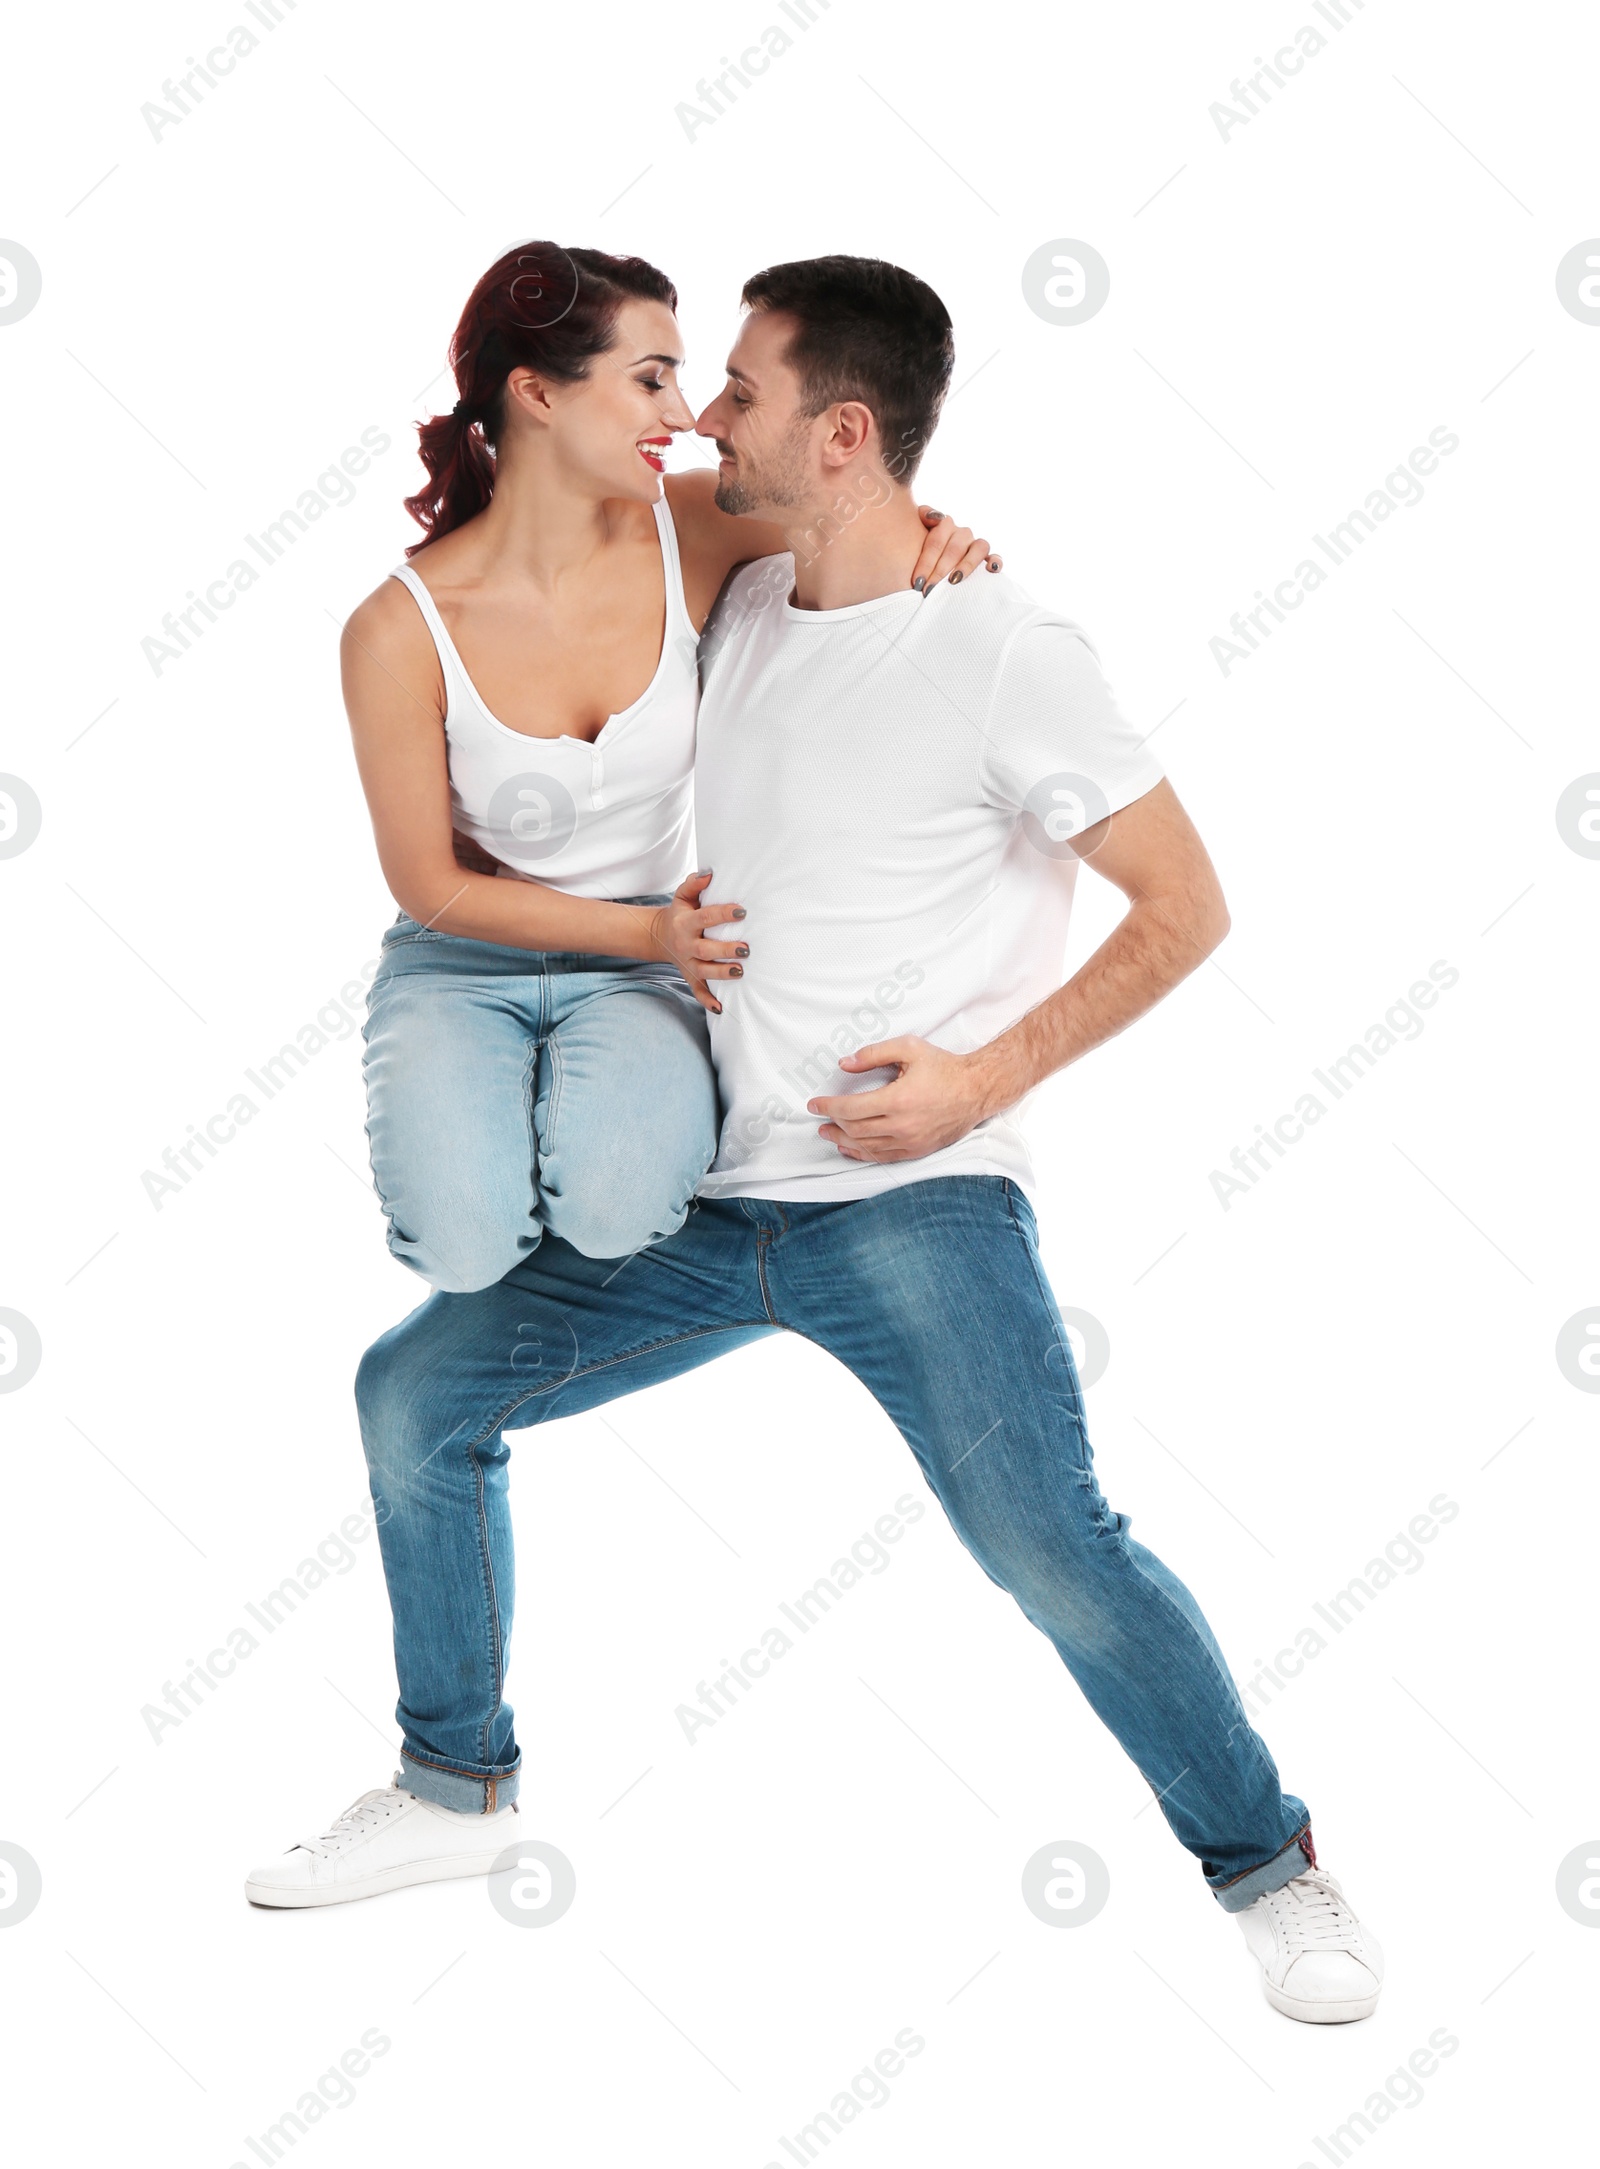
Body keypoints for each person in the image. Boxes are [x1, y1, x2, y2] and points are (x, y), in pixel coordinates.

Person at [246, 254, 1383, 2031]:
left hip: (911, 1196)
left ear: (841, 433)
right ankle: (456, 1780)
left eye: (744, 392)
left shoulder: (1004, 639)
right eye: (682, 385)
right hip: (710, 1193)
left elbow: (1189, 907)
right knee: (416, 1395)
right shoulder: (742, 596)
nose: (704, 418)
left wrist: (983, 1079)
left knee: (1047, 1540)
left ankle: (1274, 1867)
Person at [340, 241, 992, 1294]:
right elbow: (430, 883)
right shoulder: (395, 629)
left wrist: (941, 531)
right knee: (460, 1250)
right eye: (651, 379)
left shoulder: (690, 524)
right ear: (537, 394)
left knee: (617, 1217)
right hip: (466, 954)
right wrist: (648, 932)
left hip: (650, 962)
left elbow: (854, 508)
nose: (687, 415)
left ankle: (572, 1170)